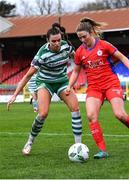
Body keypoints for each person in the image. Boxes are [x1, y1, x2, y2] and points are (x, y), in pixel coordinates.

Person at [65, 17, 129, 159]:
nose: (82, 40)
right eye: (79, 38)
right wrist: (69, 86)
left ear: (91, 33)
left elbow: (121, 57)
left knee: (120, 115)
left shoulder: (104, 45)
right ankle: (103, 150)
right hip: (94, 88)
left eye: (84, 36)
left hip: (111, 84)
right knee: (91, 116)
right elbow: (76, 71)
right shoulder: (79, 52)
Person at [7, 26, 82, 155]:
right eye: (54, 41)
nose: (57, 43)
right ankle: (30, 141)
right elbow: (28, 76)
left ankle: (78, 146)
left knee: (75, 109)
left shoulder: (66, 47)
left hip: (62, 81)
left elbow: (78, 60)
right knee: (43, 114)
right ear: (48, 40)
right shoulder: (41, 55)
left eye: (59, 40)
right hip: (45, 83)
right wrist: (14, 95)